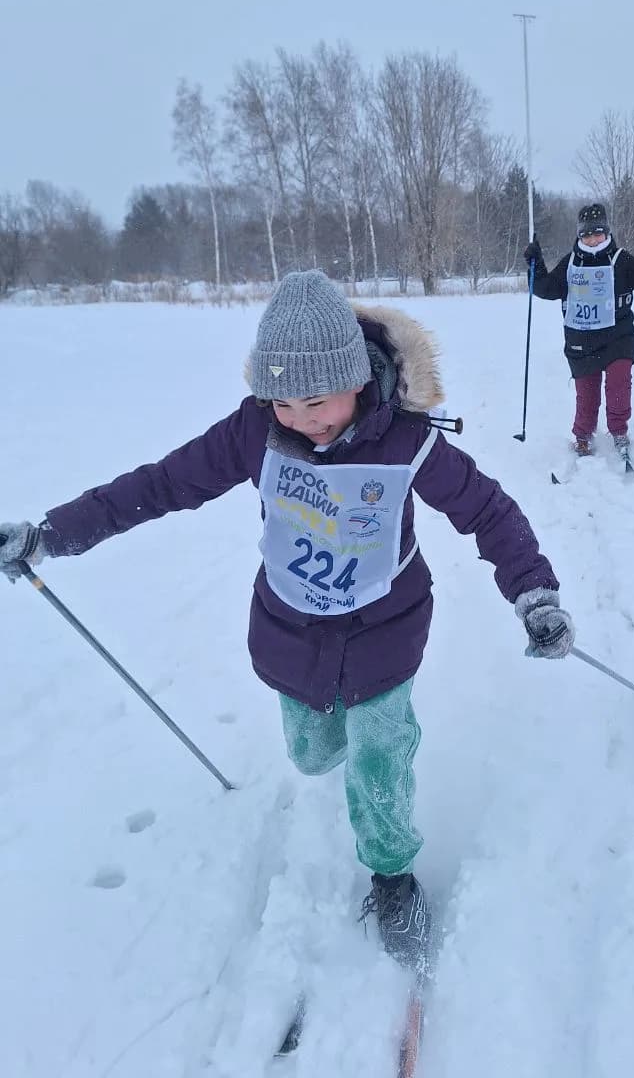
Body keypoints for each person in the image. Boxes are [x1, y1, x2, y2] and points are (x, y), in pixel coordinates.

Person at [0, 270, 575, 972]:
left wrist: (534, 593)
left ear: (357, 380)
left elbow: (487, 511)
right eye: (282, 402)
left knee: (376, 754)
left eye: (315, 400)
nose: (301, 418)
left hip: (383, 632)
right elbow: (160, 484)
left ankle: (393, 876)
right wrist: (52, 534)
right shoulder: (254, 434)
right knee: (312, 754)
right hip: (292, 633)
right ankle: (350, 754)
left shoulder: (407, 444)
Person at [524, 204, 634, 460]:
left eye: (597, 233)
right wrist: (535, 263)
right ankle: (582, 437)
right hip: (581, 341)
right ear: (579, 235)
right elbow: (545, 288)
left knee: (619, 386)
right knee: (587, 395)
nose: (592, 239)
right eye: (587, 234)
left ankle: (619, 431)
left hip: (618, 338)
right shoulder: (571, 263)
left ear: (606, 232)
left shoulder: (621, 259)